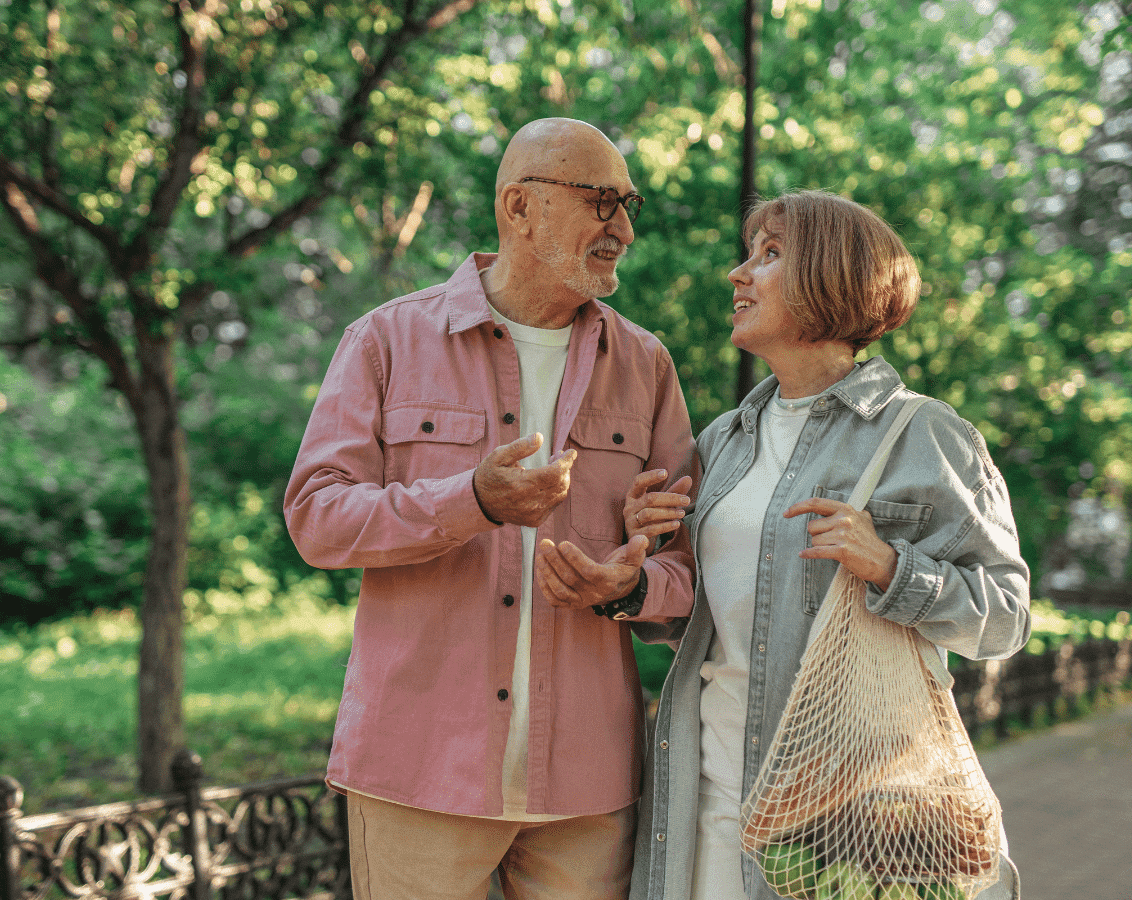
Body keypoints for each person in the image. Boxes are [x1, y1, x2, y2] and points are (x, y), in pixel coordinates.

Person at [283, 117, 698, 900]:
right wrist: (470, 500)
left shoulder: (645, 365)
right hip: (417, 770)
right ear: (519, 208)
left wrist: (632, 587)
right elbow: (316, 517)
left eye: (629, 205)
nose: (624, 230)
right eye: (603, 202)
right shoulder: (385, 341)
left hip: (589, 785)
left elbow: (687, 571)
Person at [621, 190, 1031, 900]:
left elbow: (1005, 619)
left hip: (843, 823)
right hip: (705, 789)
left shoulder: (925, 435)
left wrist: (891, 569)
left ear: (830, 278)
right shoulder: (722, 442)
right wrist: (642, 561)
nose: (739, 273)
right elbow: (698, 622)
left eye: (770, 254)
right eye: (749, 253)